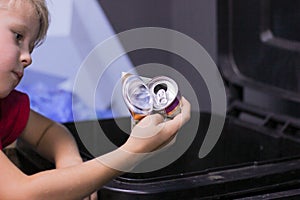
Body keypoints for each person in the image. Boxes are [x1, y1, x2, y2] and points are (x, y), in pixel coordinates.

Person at [0, 0, 191, 199]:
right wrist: (133, 151)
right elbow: (19, 193)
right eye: (18, 36)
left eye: (31, 48)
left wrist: (71, 166)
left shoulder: (6, 105)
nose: (28, 58)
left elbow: (49, 132)